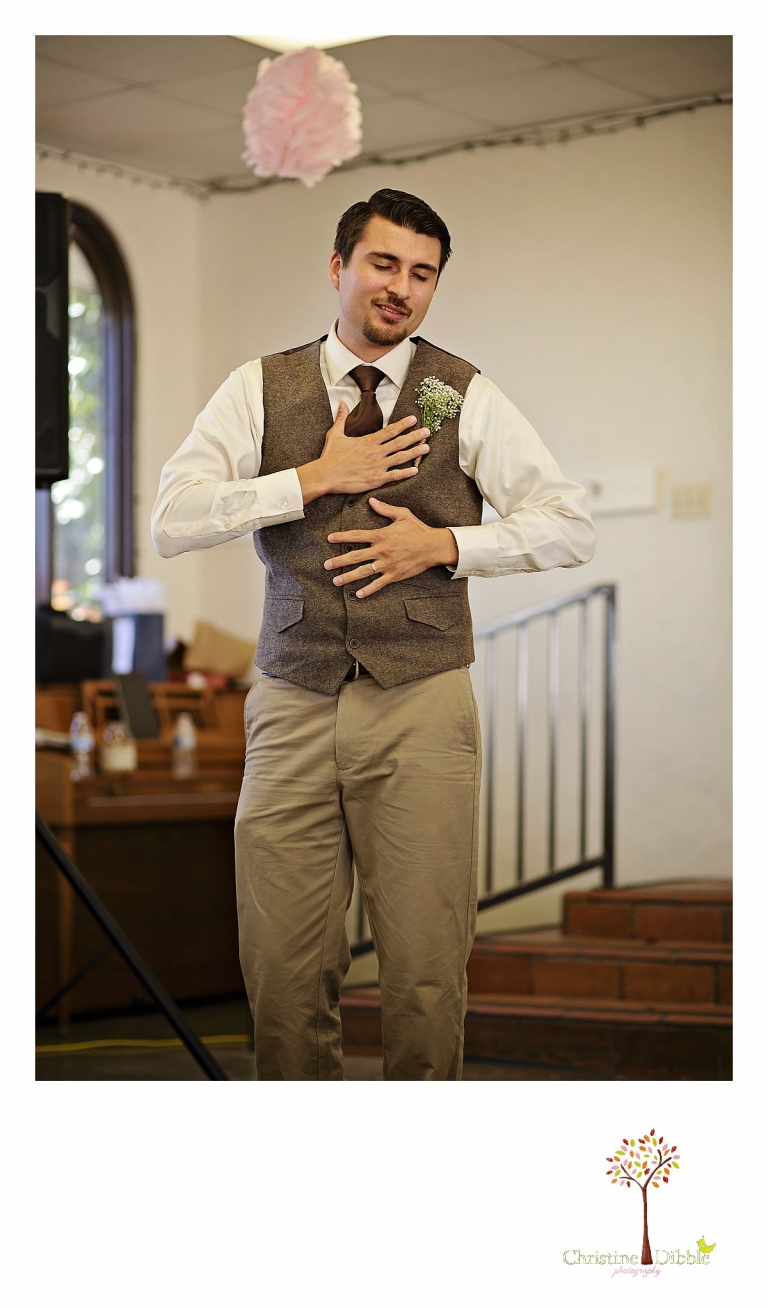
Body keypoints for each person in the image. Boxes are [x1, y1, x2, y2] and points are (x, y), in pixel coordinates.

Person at [152, 187, 595, 1081]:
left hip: (423, 703)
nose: (401, 288)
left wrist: (447, 544)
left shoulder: (455, 391)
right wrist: (312, 477)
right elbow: (173, 517)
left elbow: (569, 523)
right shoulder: (259, 386)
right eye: (384, 264)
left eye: (421, 274)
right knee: (280, 970)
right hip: (291, 702)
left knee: (426, 973)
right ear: (339, 267)